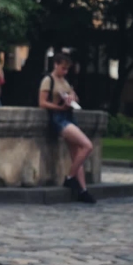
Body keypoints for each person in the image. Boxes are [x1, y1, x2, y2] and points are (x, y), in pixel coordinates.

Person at [38, 52, 96, 204]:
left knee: (77, 153)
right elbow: (42, 102)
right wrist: (60, 107)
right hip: (59, 117)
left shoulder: (65, 81)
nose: (65, 72)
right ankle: (70, 178)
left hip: (69, 115)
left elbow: (73, 94)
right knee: (87, 145)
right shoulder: (48, 80)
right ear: (55, 65)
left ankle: (83, 190)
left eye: (67, 69)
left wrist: (72, 99)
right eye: (63, 68)